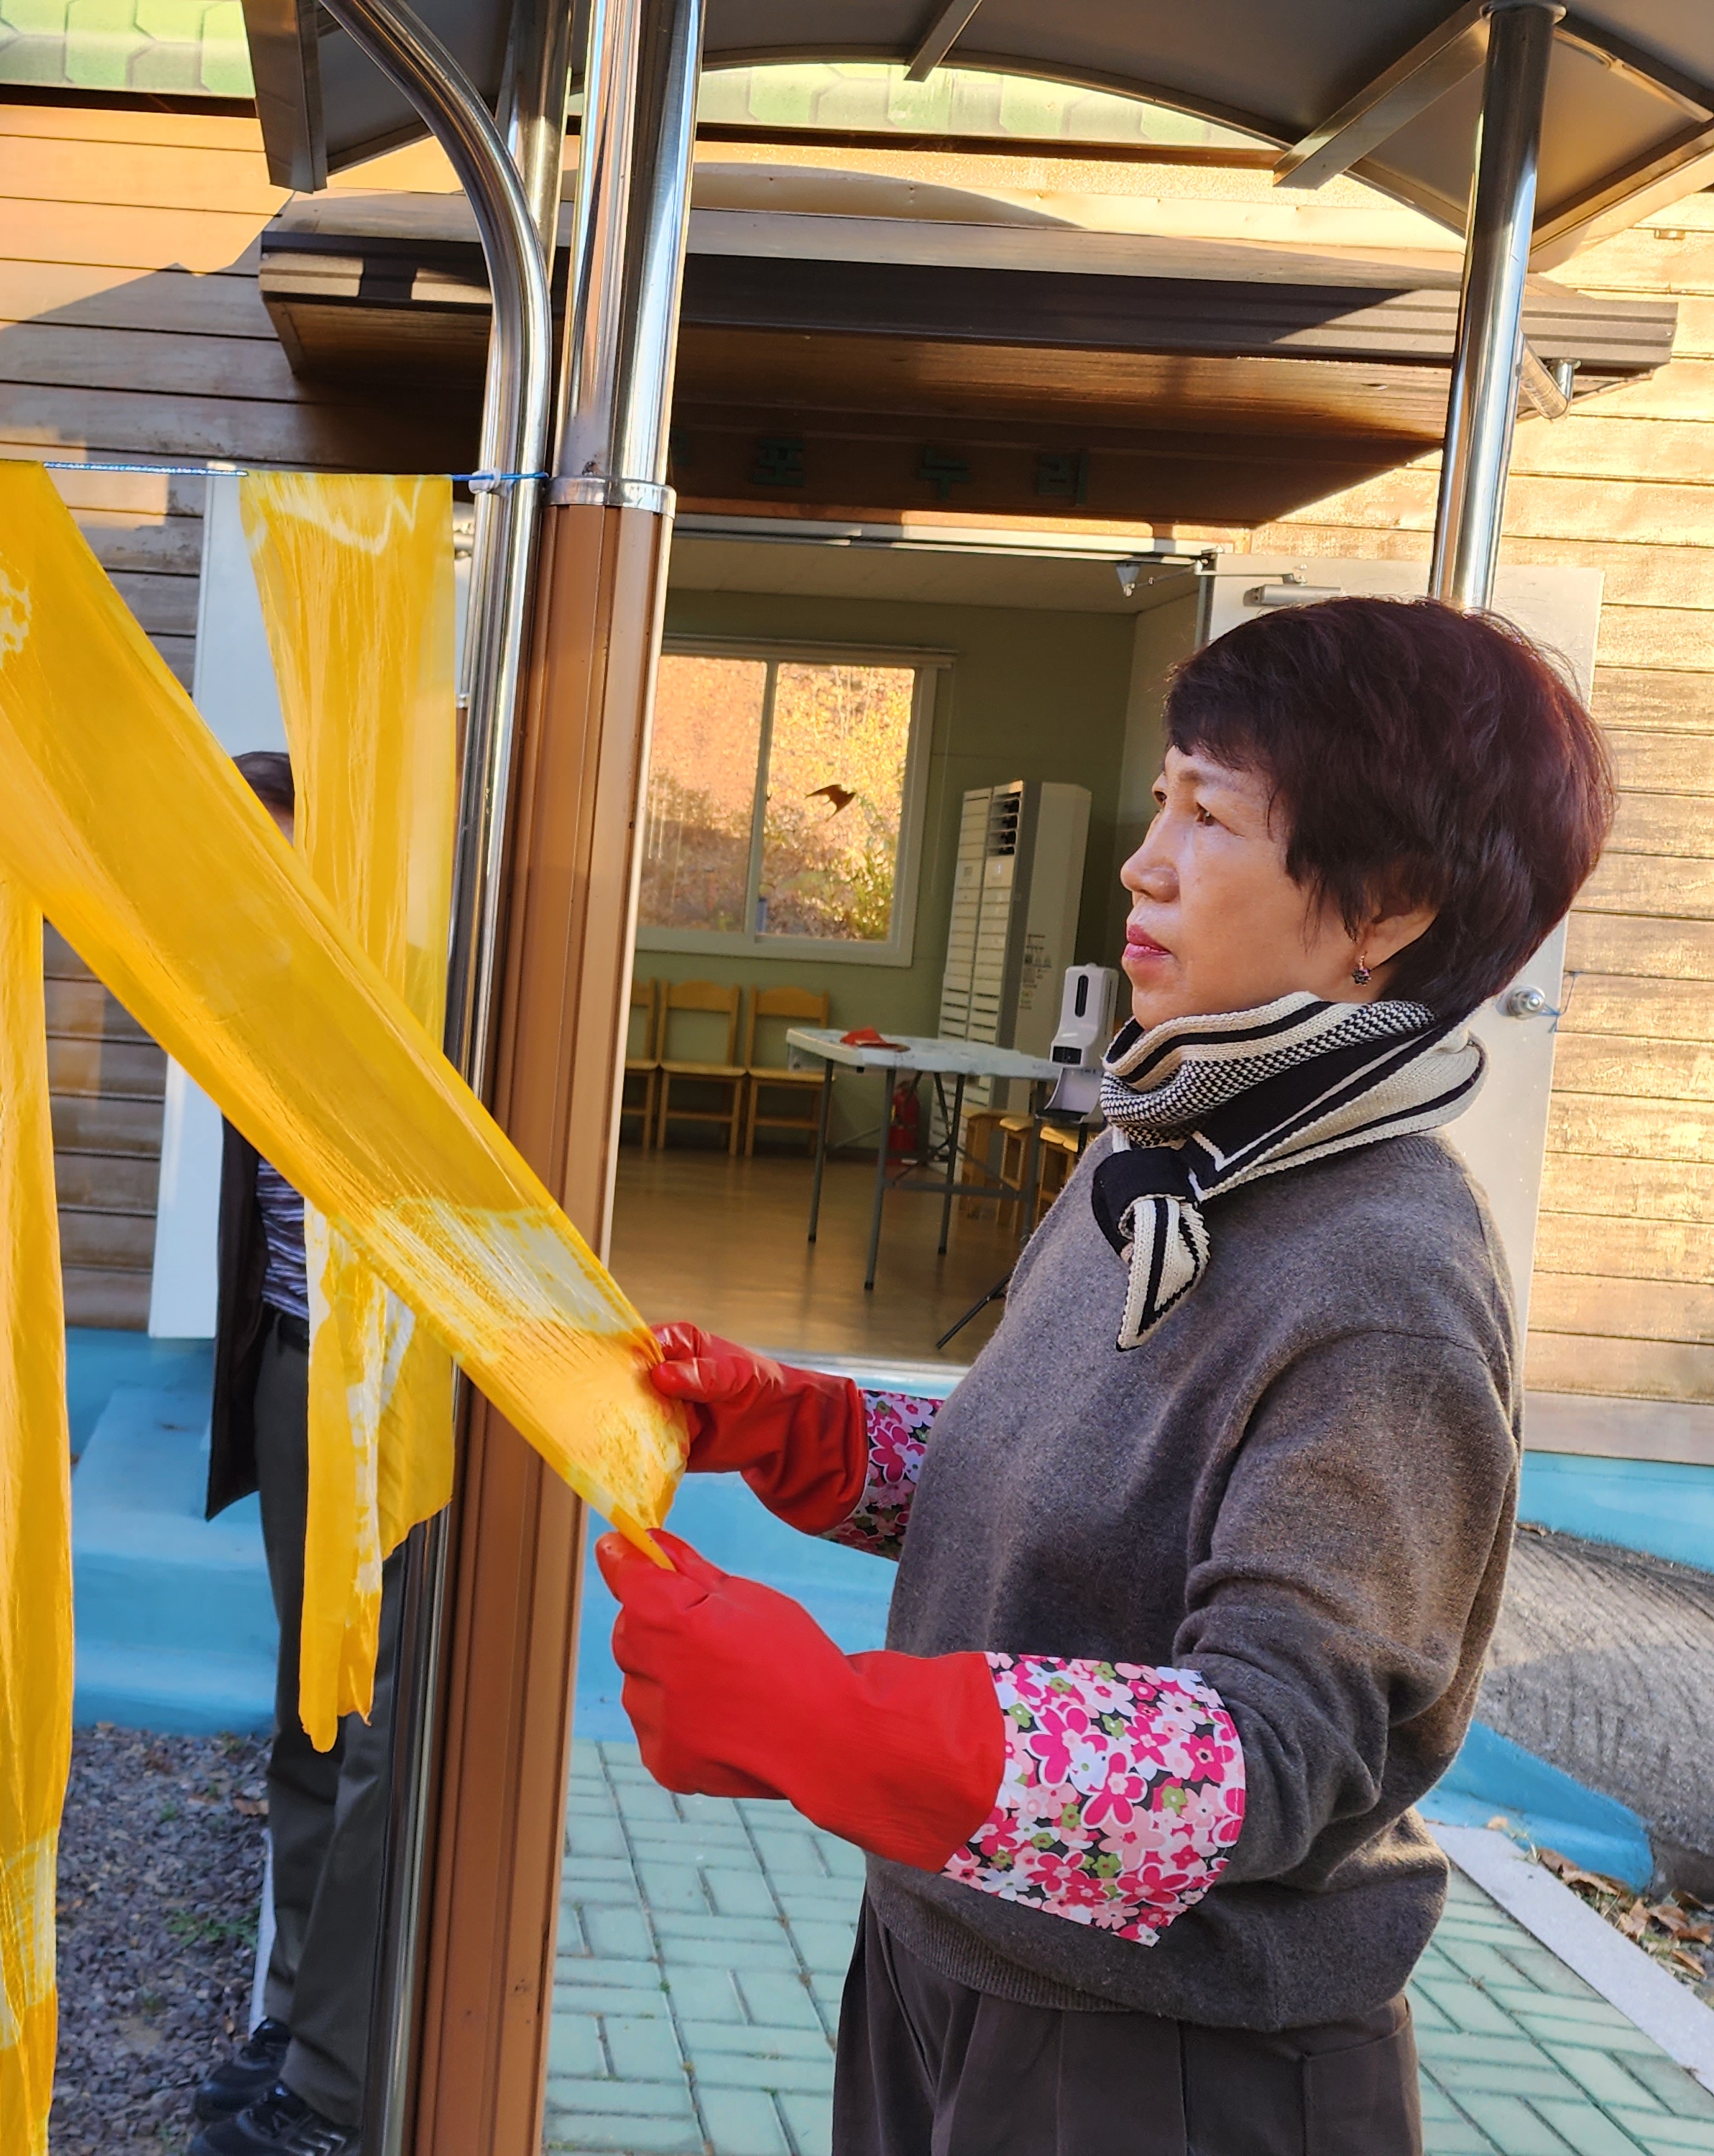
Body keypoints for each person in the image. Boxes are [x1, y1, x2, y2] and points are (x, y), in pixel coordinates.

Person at [602, 598, 1613, 2155]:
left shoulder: (1386, 1280)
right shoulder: (1159, 1157)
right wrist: (811, 1429)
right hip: (949, 1941)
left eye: (1209, 815)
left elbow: (1280, 1750)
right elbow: (1078, 1472)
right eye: (1160, 801)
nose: (1142, 864)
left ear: (1390, 907)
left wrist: (842, 1723)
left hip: (1167, 2059)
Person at [189, 749, 402, 2156]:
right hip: (292, 1370)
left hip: (395, 1401)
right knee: (307, 1712)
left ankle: (334, 2081)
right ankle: (291, 2013)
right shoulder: (248, 995)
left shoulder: (409, 990)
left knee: (373, 1727)